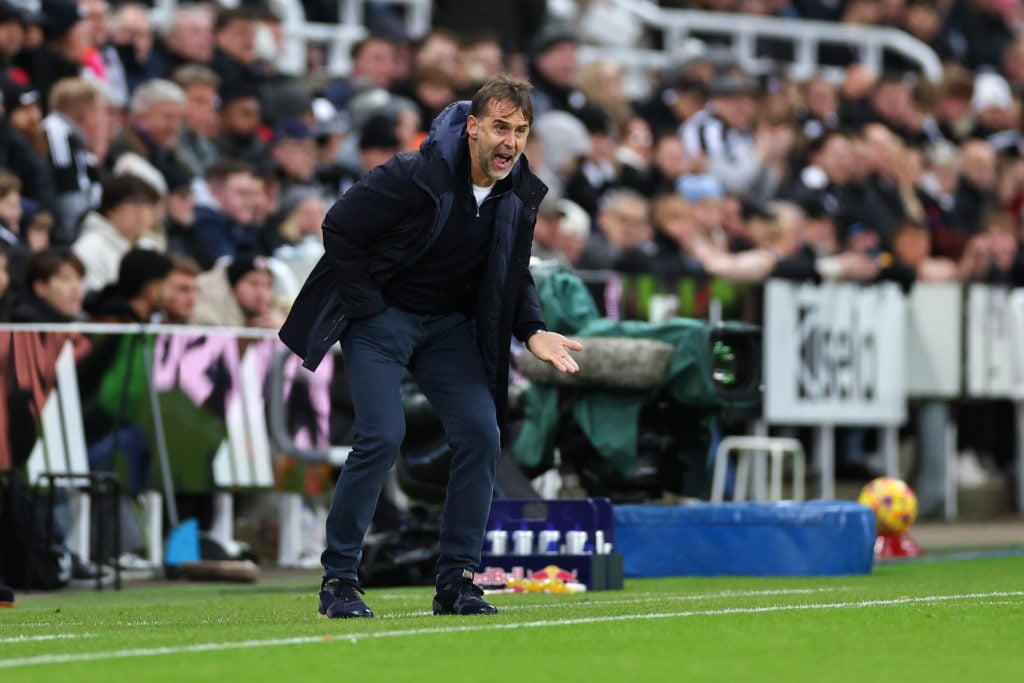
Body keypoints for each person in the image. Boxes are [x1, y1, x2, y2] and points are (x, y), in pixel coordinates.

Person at [279, 74, 582, 618]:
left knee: (480, 434)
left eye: (521, 130)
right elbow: (340, 226)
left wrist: (532, 330)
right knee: (381, 436)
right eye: (499, 127)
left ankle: (457, 583)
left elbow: (515, 273)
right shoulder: (410, 174)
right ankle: (339, 582)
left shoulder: (517, 192)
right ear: (472, 128)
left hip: (446, 328)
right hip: (383, 319)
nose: (510, 142)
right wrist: (368, 307)